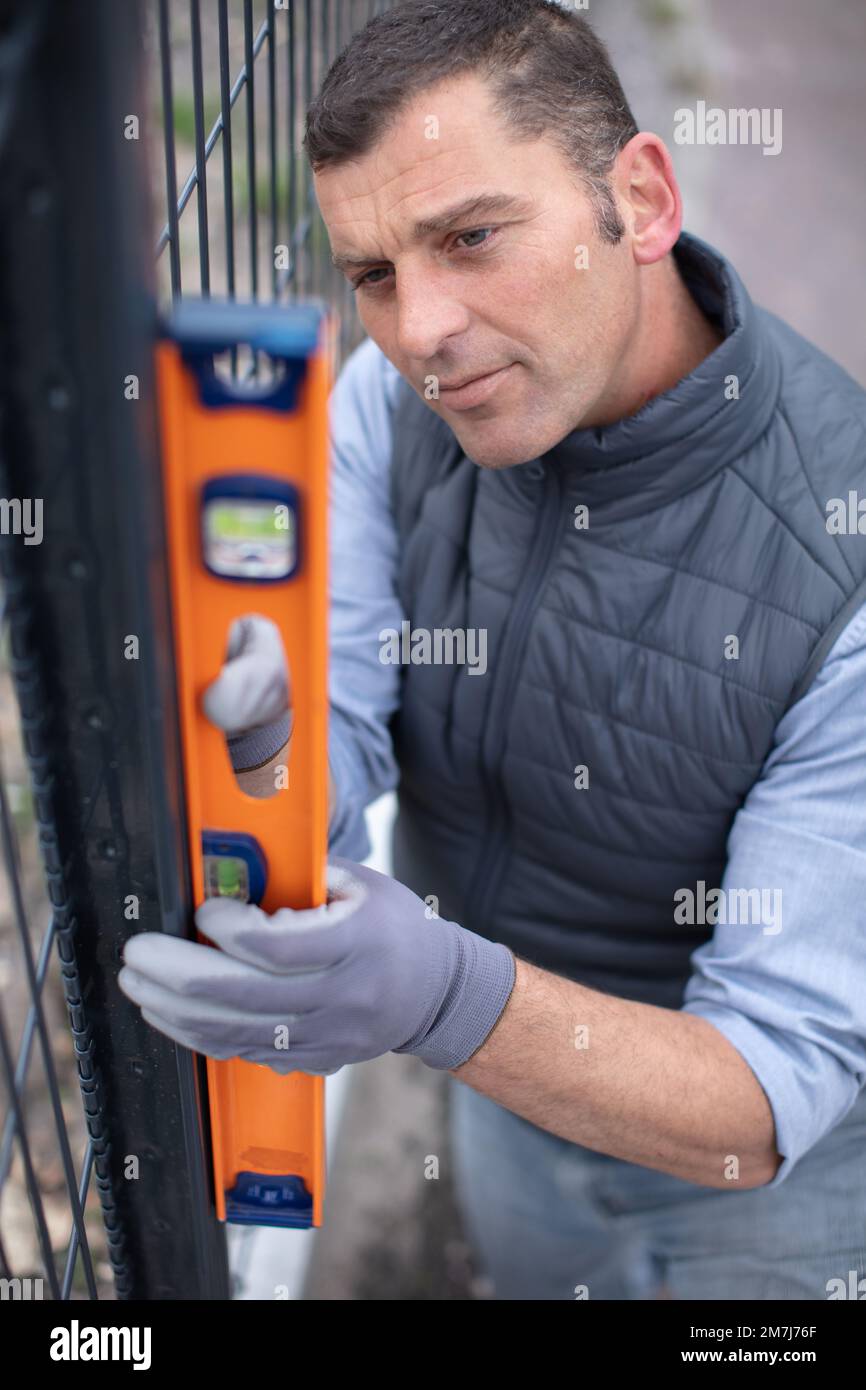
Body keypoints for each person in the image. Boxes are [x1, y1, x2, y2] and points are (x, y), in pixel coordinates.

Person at [119, 1, 866, 1300]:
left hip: (782, 1205)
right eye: (372, 274)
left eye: (468, 238)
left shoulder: (838, 554)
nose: (417, 332)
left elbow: (761, 1097)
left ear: (636, 200)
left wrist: (440, 999)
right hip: (511, 1101)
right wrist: (270, 745)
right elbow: (337, 731)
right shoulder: (387, 408)